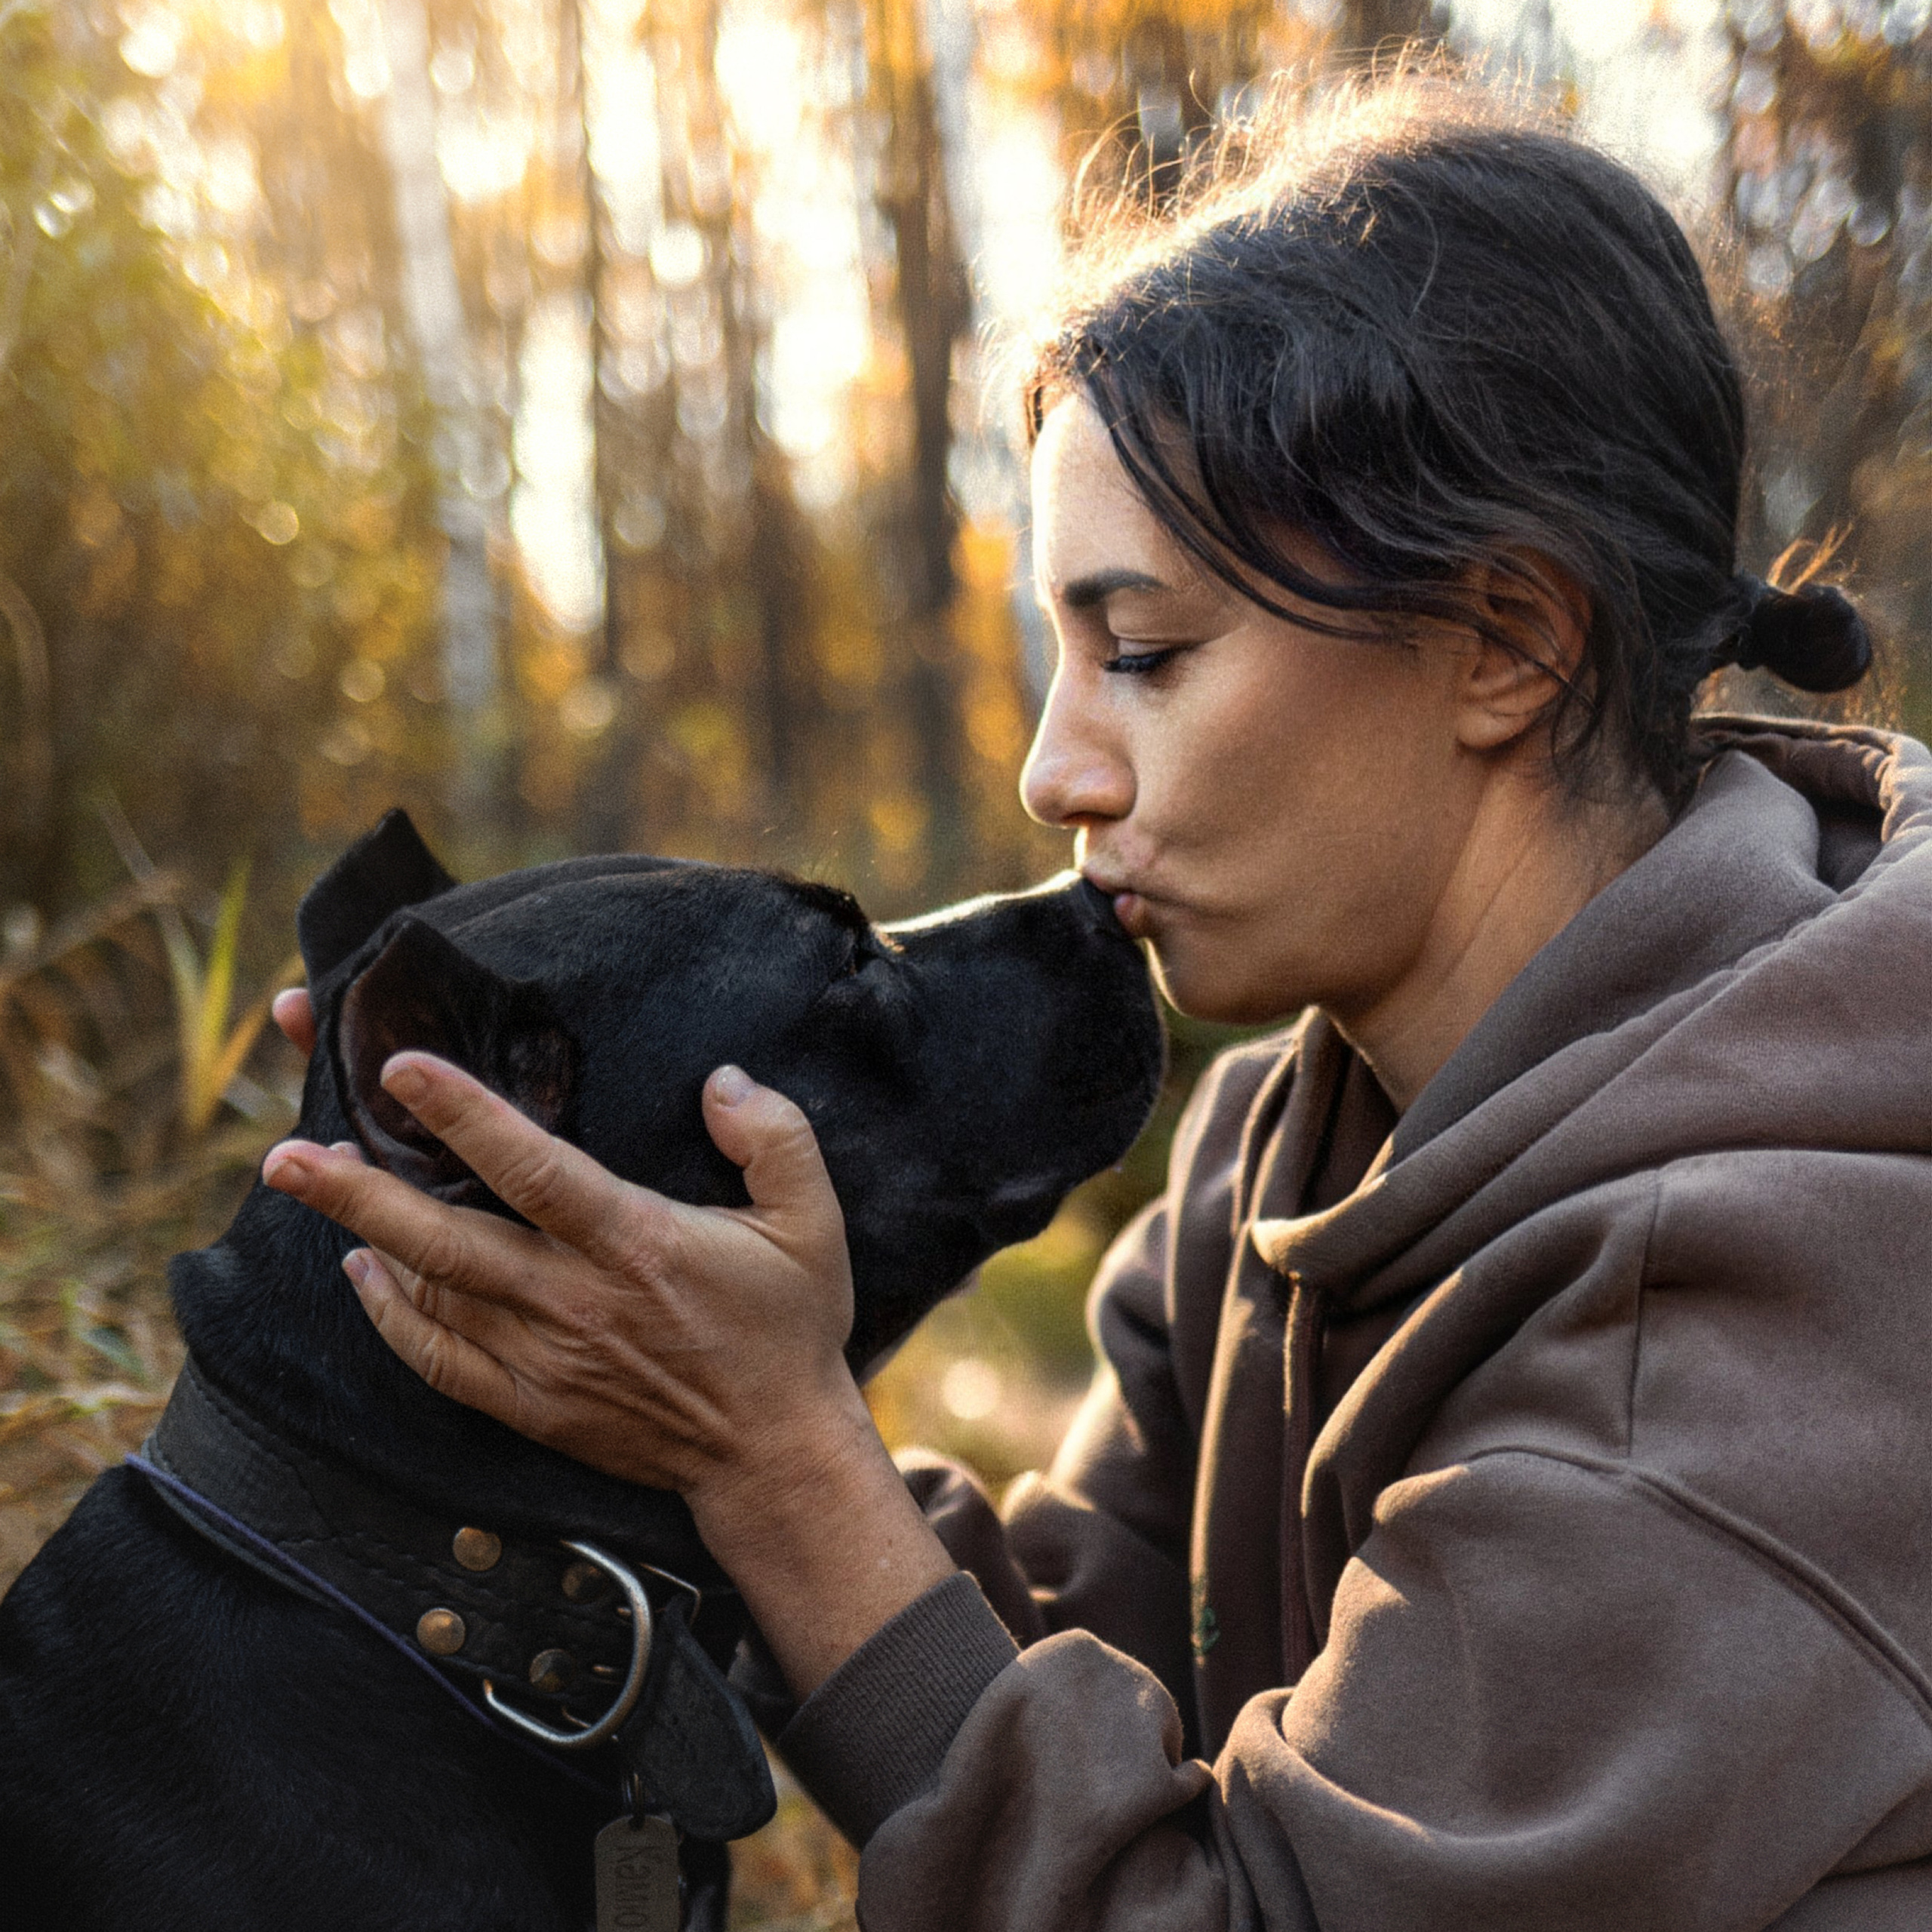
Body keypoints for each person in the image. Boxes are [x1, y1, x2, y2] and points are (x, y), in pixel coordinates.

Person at [260, 74, 1932, 1929]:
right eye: (1061, 655)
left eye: (1143, 654)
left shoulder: (1717, 1343)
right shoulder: (1274, 1151)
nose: (1055, 770)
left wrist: (773, 1455)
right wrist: (643, 1341)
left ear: (1504, 643)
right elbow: (1029, 1696)